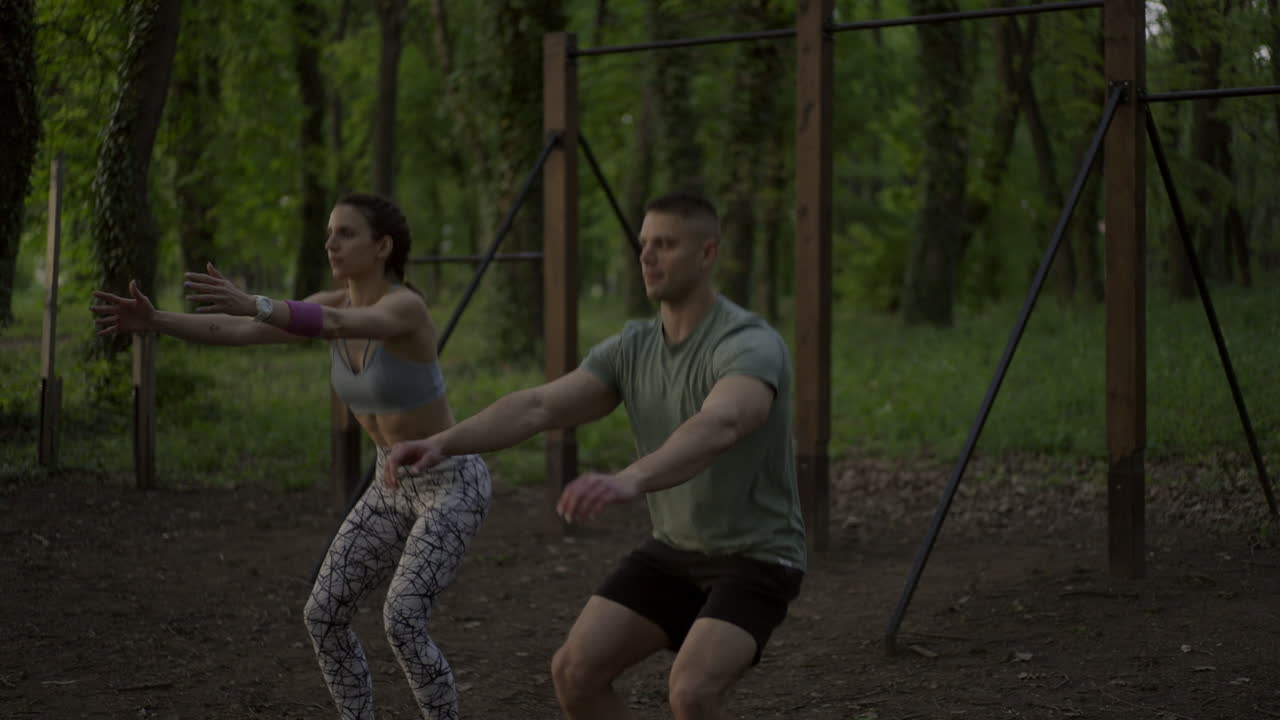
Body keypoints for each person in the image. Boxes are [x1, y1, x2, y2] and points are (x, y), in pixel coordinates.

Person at [385, 191, 806, 719]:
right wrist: (441, 442)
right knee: (574, 673)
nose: (648, 257)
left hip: (758, 556)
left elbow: (720, 424)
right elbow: (538, 406)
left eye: (666, 244)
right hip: (676, 550)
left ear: (707, 253)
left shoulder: (749, 342)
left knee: (692, 692)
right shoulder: (631, 347)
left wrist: (631, 478)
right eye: (644, 244)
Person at [90, 192, 491, 720]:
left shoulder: (406, 308)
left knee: (403, 617)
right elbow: (238, 330)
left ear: (383, 246)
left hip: (449, 481)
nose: (330, 242)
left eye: (346, 233)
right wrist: (156, 320)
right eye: (329, 231)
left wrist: (255, 301)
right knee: (323, 614)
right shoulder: (329, 301)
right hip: (390, 484)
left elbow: (337, 326)